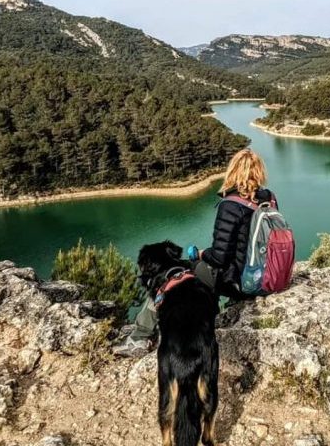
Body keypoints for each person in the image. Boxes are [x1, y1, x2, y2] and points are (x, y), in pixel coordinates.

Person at [114, 148, 277, 357]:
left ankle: (140, 338)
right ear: (259, 172)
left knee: (172, 275)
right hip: (266, 277)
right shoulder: (269, 199)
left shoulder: (231, 204)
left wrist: (199, 254)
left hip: (240, 282)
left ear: (233, 171)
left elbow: (219, 257)